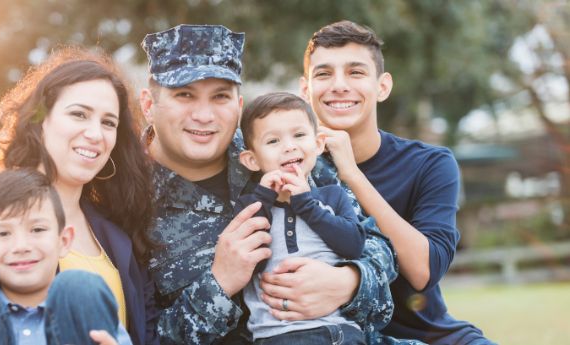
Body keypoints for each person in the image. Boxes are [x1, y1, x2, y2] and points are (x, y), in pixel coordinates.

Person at [139, 24, 398, 345]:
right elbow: (142, 336)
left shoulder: (280, 150)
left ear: (238, 104)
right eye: (184, 95)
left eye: (220, 96)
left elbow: (380, 250)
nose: (204, 115)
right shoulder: (126, 196)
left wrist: (347, 282)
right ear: (149, 105)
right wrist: (219, 284)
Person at [0, 48, 159, 345]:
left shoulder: (117, 230)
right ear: (41, 119)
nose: (95, 133)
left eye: (108, 122)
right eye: (79, 114)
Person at [300, 20, 494, 344]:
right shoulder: (287, 168)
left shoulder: (431, 164)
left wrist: (352, 173)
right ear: (305, 90)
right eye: (323, 74)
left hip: (430, 336)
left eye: (355, 72)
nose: (338, 85)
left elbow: (423, 272)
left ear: (382, 86)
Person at [0, 168, 124, 344]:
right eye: (3, 233)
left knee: (80, 286)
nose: (21, 246)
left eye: (37, 229)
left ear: (64, 240)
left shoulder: (85, 307)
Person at [236, 92, 366, 344]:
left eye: (299, 135)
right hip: (278, 335)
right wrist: (264, 198)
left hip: (339, 331)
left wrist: (307, 205)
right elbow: (251, 266)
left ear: (317, 144)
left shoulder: (333, 196)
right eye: (273, 141)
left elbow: (354, 245)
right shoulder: (249, 206)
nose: (289, 146)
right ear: (252, 160)